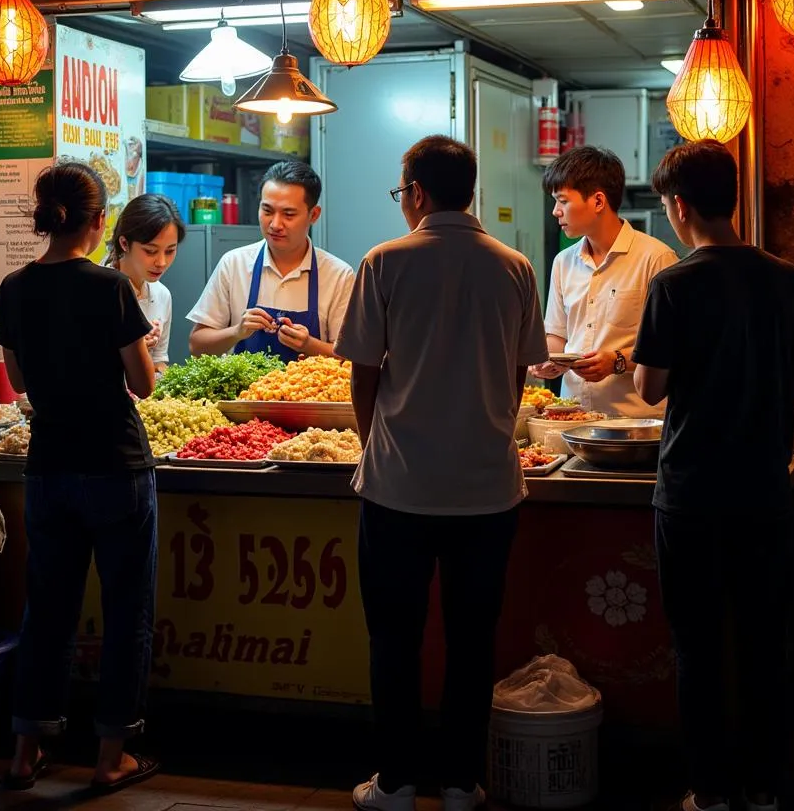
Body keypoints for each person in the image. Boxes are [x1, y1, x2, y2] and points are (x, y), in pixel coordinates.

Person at [335, 135, 548, 811]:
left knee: (393, 638)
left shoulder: (385, 262)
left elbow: (363, 375)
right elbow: (518, 375)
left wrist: (380, 446)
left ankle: (395, 783)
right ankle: (461, 782)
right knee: (472, 639)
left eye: (402, 193)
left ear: (417, 194)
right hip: (487, 490)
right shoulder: (514, 266)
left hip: (398, 489)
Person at [633, 141, 794, 811]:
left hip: (690, 497)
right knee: (767, 646)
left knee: (698, 647)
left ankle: (709, 793)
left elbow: (650, 388)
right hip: (766, 490)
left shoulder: (673, 284)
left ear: (679, 207)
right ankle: (765, 791)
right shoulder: (782, 276)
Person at [0, 162, 160, 795]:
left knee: (48, 611)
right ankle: (110, 757)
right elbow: (143, 384)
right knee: (126, 612)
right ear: (98, 222)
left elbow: (22, 380)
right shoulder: (110, 288)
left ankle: (23, 753)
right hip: (115, 467)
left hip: (50, 467)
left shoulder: (14, 288)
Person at [530, 146, 678, 417]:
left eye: (562, 201)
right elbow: (557, 336)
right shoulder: (563, 262)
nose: (555, 211)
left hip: (637, 423)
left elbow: (674, 349)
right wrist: (547, 359)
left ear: (598, 201)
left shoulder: (656, 258)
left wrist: (617, 361)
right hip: (574, 417)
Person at [187, 160, 354, 362]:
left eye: (288, 214)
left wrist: (309, 345)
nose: (275, 224)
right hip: (243, 393)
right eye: (267, 211)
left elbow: (350, 357)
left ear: (314, 215)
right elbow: (196, 345)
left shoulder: (338, 275)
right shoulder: (234, 264)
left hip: (310, 393)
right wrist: (237, 332)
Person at [110, 193, 186, 375]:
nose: (161, 262)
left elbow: (158, 362)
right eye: (150, 251)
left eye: (170, 251)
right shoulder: (97, 289)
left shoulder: (161, 295)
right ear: (124, 243)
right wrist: (134, 350)